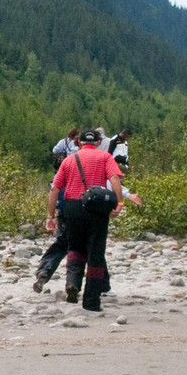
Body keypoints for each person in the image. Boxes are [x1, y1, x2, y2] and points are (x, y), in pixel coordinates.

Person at [46, 129, 124, 311]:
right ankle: (91, 301)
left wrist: (50, 216)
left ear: (79, 142)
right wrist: (119, 203)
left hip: (72, 207)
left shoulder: (69, 160)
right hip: (96, 209)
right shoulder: (105, 157)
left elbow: (54, 190)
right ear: (98, 142)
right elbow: (114, 178)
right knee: (95, 253)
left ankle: (72, 284)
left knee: (75, 247)